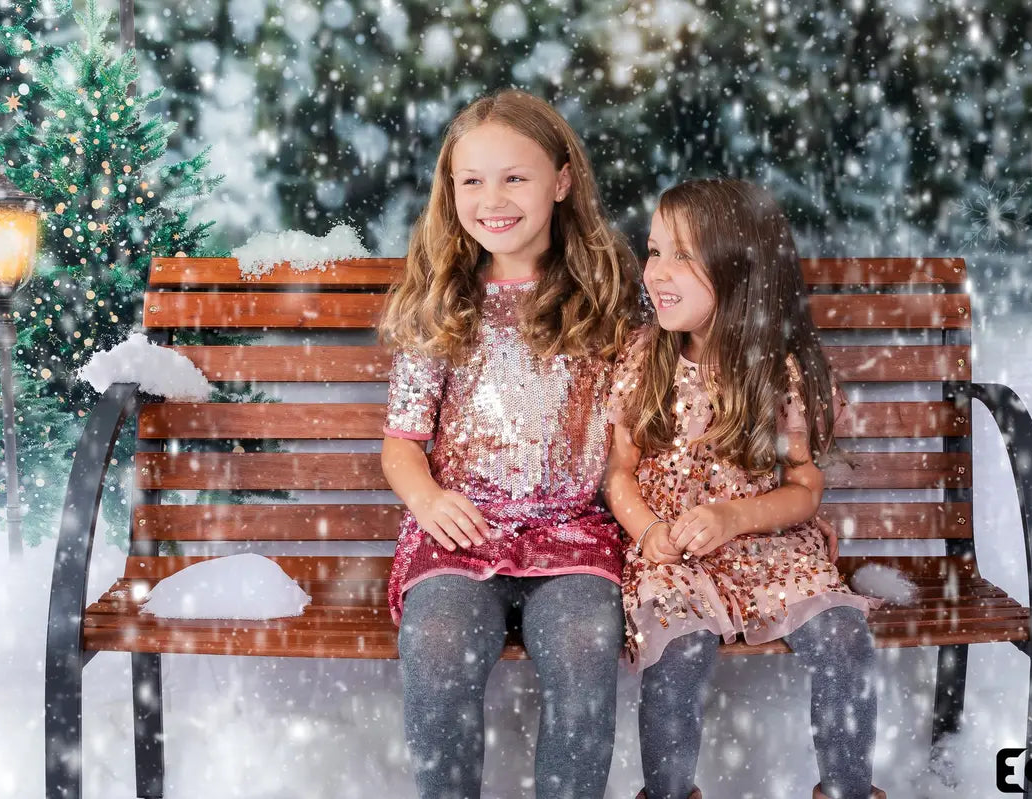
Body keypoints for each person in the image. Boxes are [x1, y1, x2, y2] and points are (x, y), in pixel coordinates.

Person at [378, 89, 644, 799]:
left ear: (561, 181)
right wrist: (427, 497)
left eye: (515, 177)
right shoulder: (442, 300)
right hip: (461, 530)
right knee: (437, 646)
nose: (492, 198)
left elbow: (627, 437)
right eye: (472, 180)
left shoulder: (605, 298)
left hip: (575, 531)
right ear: (451, 190)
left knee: (587, 646)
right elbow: (402, 442)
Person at [604, 178, 886, 799]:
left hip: (766, 546)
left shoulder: (777, 370)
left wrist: (735, 517)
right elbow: (617, 473)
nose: (657, 272)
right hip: (673, 553)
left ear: (740, 269)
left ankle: (848, 790)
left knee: (843, 636)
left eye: (683, 255)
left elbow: (805, 488)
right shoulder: (643, 359)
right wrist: (648, 530)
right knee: (680, 650)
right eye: (654, 251)